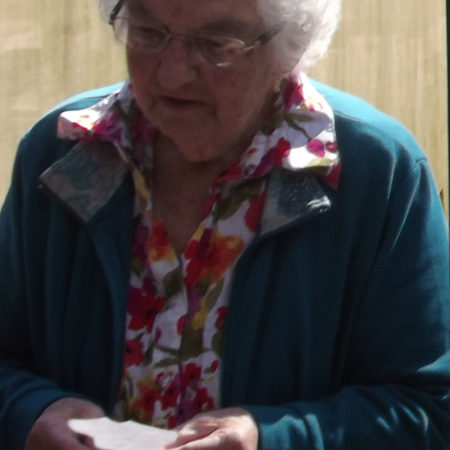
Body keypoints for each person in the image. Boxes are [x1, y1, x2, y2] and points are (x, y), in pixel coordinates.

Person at [0, 0, 448, 448]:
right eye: (148, 33)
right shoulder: (61, 154)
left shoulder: (376, 171)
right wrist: (29, 411)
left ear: (291, 46)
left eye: (217, 44)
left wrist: (270, 439)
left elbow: (430, 408)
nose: (173, 74)